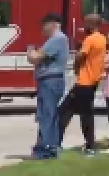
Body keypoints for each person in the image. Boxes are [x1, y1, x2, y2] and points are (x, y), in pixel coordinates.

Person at [59, 14, 106, 156]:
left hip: (84, 82)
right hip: (93, 81)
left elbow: (81, 55)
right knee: (74, 111)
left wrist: (75, 67)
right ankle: (88, 144)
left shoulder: (90, 39)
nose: (84, 26)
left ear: (92, 24)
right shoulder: (102, 39)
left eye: (86, 23)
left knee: (68, 112)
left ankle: (89, 146)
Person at [26, 13, 69, 159]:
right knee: (50, 115)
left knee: (46, 115)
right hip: (53, 81)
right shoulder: (59, 39)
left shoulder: (56, 39)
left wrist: (30, 50)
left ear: (52, 24)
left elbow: (35, 58)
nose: (42, 28)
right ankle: (52, 146)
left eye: (44, 24)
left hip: (50, 81)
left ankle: (45, 149)